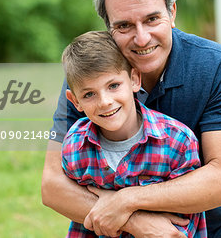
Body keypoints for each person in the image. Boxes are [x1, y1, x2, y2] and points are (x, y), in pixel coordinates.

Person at [42, 0, 221, 238]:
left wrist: (127, 200)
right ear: (109, 28)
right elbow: (52, 186)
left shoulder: (216, 66)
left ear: (172, 12)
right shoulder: (90, 78)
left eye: (152, 19)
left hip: (219, 228)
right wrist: (133, 222)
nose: (142, 38)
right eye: (124, 26)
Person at [60, 31, 207, 238]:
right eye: (89, 94)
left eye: (113, 86)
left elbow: (180, 226)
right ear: (75, 101)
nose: (104, 101)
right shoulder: (75, 145)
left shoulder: (178, 142)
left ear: (134, 79)